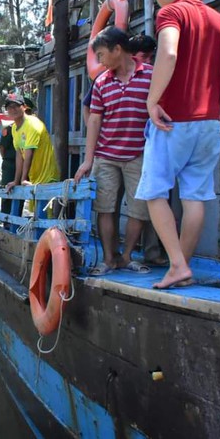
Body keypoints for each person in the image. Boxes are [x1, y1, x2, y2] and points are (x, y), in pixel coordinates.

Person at [136, 0, 220, 289]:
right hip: (210, 123)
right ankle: (180, 268)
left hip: (173, 121)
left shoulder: (171, 13)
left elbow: (167, 53)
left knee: (155, 192)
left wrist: (152, 101)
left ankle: (178, 265)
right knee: (195, 195)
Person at [74, 27, 152, 274]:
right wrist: (88, 160)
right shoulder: (101, 82)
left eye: (101, 54)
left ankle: (127, 257)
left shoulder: (151, 75)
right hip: (106, 156)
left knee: (138, 210)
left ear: (117, 49)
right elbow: (95, 121)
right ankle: (109, 259)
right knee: (105, 208)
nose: (100, 61)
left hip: (139, 155)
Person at [4, 93, 59, 194]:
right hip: (34, 179)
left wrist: (23, 179)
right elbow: (19, 155)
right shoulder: (14, 128)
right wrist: (16, 181)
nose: (13, 109)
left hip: (47, 178)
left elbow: (29, 153)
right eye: (10, 107)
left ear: (24, 107)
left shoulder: (32, 124)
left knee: (46, 209)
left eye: (16, 106)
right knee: (36, 209)